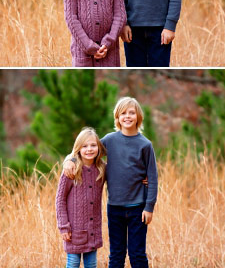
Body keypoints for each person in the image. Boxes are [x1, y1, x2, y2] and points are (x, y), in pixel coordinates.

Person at [64, 97, 159, 268]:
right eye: (123, 113)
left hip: (138, 208)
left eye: (131, 113)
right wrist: (68, 160)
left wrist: (149, 207)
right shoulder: (109, 140)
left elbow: (152, 178)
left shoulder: (145, 145)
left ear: (138, 116)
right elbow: (87, 148)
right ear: (117, 117)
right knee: (116, 254)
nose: (127, 116)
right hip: (114, 207)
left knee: (137, 254)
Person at [56, 128, 107, 268]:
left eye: (93, 145)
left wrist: (141, 176)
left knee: (91, 264)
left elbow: (121, 173)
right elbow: (60, 199)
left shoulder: (102, 169)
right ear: (78, 148)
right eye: (84, 146)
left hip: (93, 231)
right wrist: (63, 227)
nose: (89, 149)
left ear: (98, 147)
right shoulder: (71, 170)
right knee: (73, 263)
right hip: (73, 231)